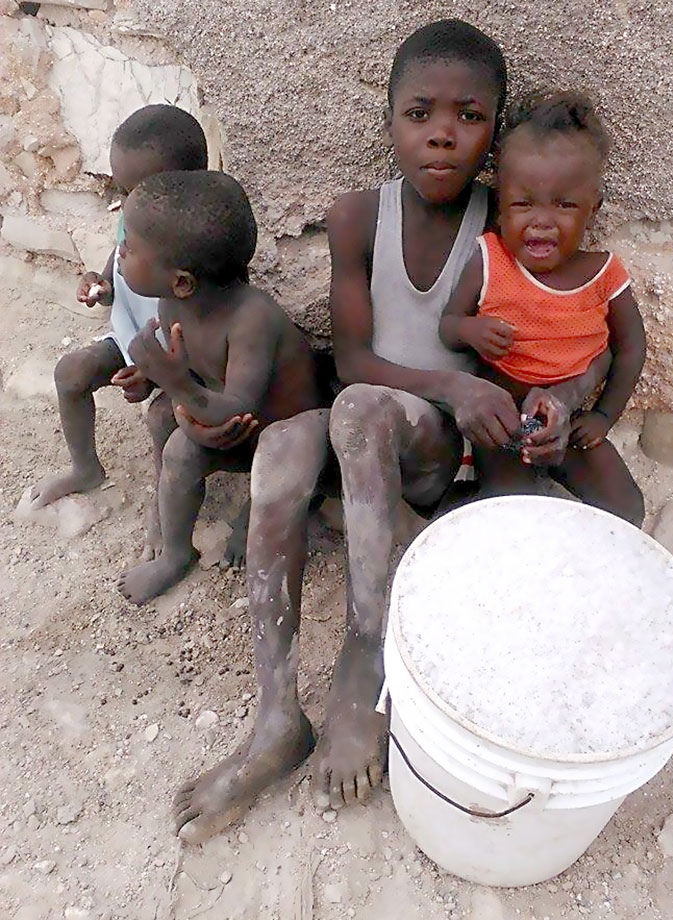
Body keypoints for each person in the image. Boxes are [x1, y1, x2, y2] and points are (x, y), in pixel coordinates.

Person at [173, 19, 548, 844]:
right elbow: (352, 356)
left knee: (358, 409)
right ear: (388, 121)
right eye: (419, 113)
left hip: (423, 445)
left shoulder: (504, 222)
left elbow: (523, 342)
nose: (442, 132)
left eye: (470, 116)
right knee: (282, 446)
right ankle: (277, 717)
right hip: (359, 430)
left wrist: (470, 395)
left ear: (493, 131)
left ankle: (365, 658)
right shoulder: (356, 218)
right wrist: (447, 373)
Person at [116, 170, 326, 605]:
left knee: (181, 450)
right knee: (160, 418)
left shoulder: (252, 319)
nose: (118, 252)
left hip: (278, 437)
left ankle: (192, 545)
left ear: (182, 280)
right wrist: (155, 377)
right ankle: (172, 523)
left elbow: (238, 414)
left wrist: (179, 389)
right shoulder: (172, 299)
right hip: (225, 415)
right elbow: (191, 368)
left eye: (130, 246)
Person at [440, 91, 645, 525]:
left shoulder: (604, 274)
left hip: (569, 416)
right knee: (509, 509)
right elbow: (447, 325)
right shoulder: (489, 259)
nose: (542, 220)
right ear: (500, 205)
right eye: (523, 203)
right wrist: (469, 329)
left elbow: (630, 350)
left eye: (565, 204)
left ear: (594, 208)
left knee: (626, 509)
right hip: (506, 419)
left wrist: (605, 415)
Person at [29, 106, 209, 542]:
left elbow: (195, 331)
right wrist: (102, 283)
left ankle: (165, 513)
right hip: (132, 338)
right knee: (70, 373)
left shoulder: (199, 246)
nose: (126, 203)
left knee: (163, 419)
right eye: (121, 189)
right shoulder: (133, 219)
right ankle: (85, 468)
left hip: (184, 361)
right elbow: (117, 260)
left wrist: (153, 374)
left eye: (137, 190)